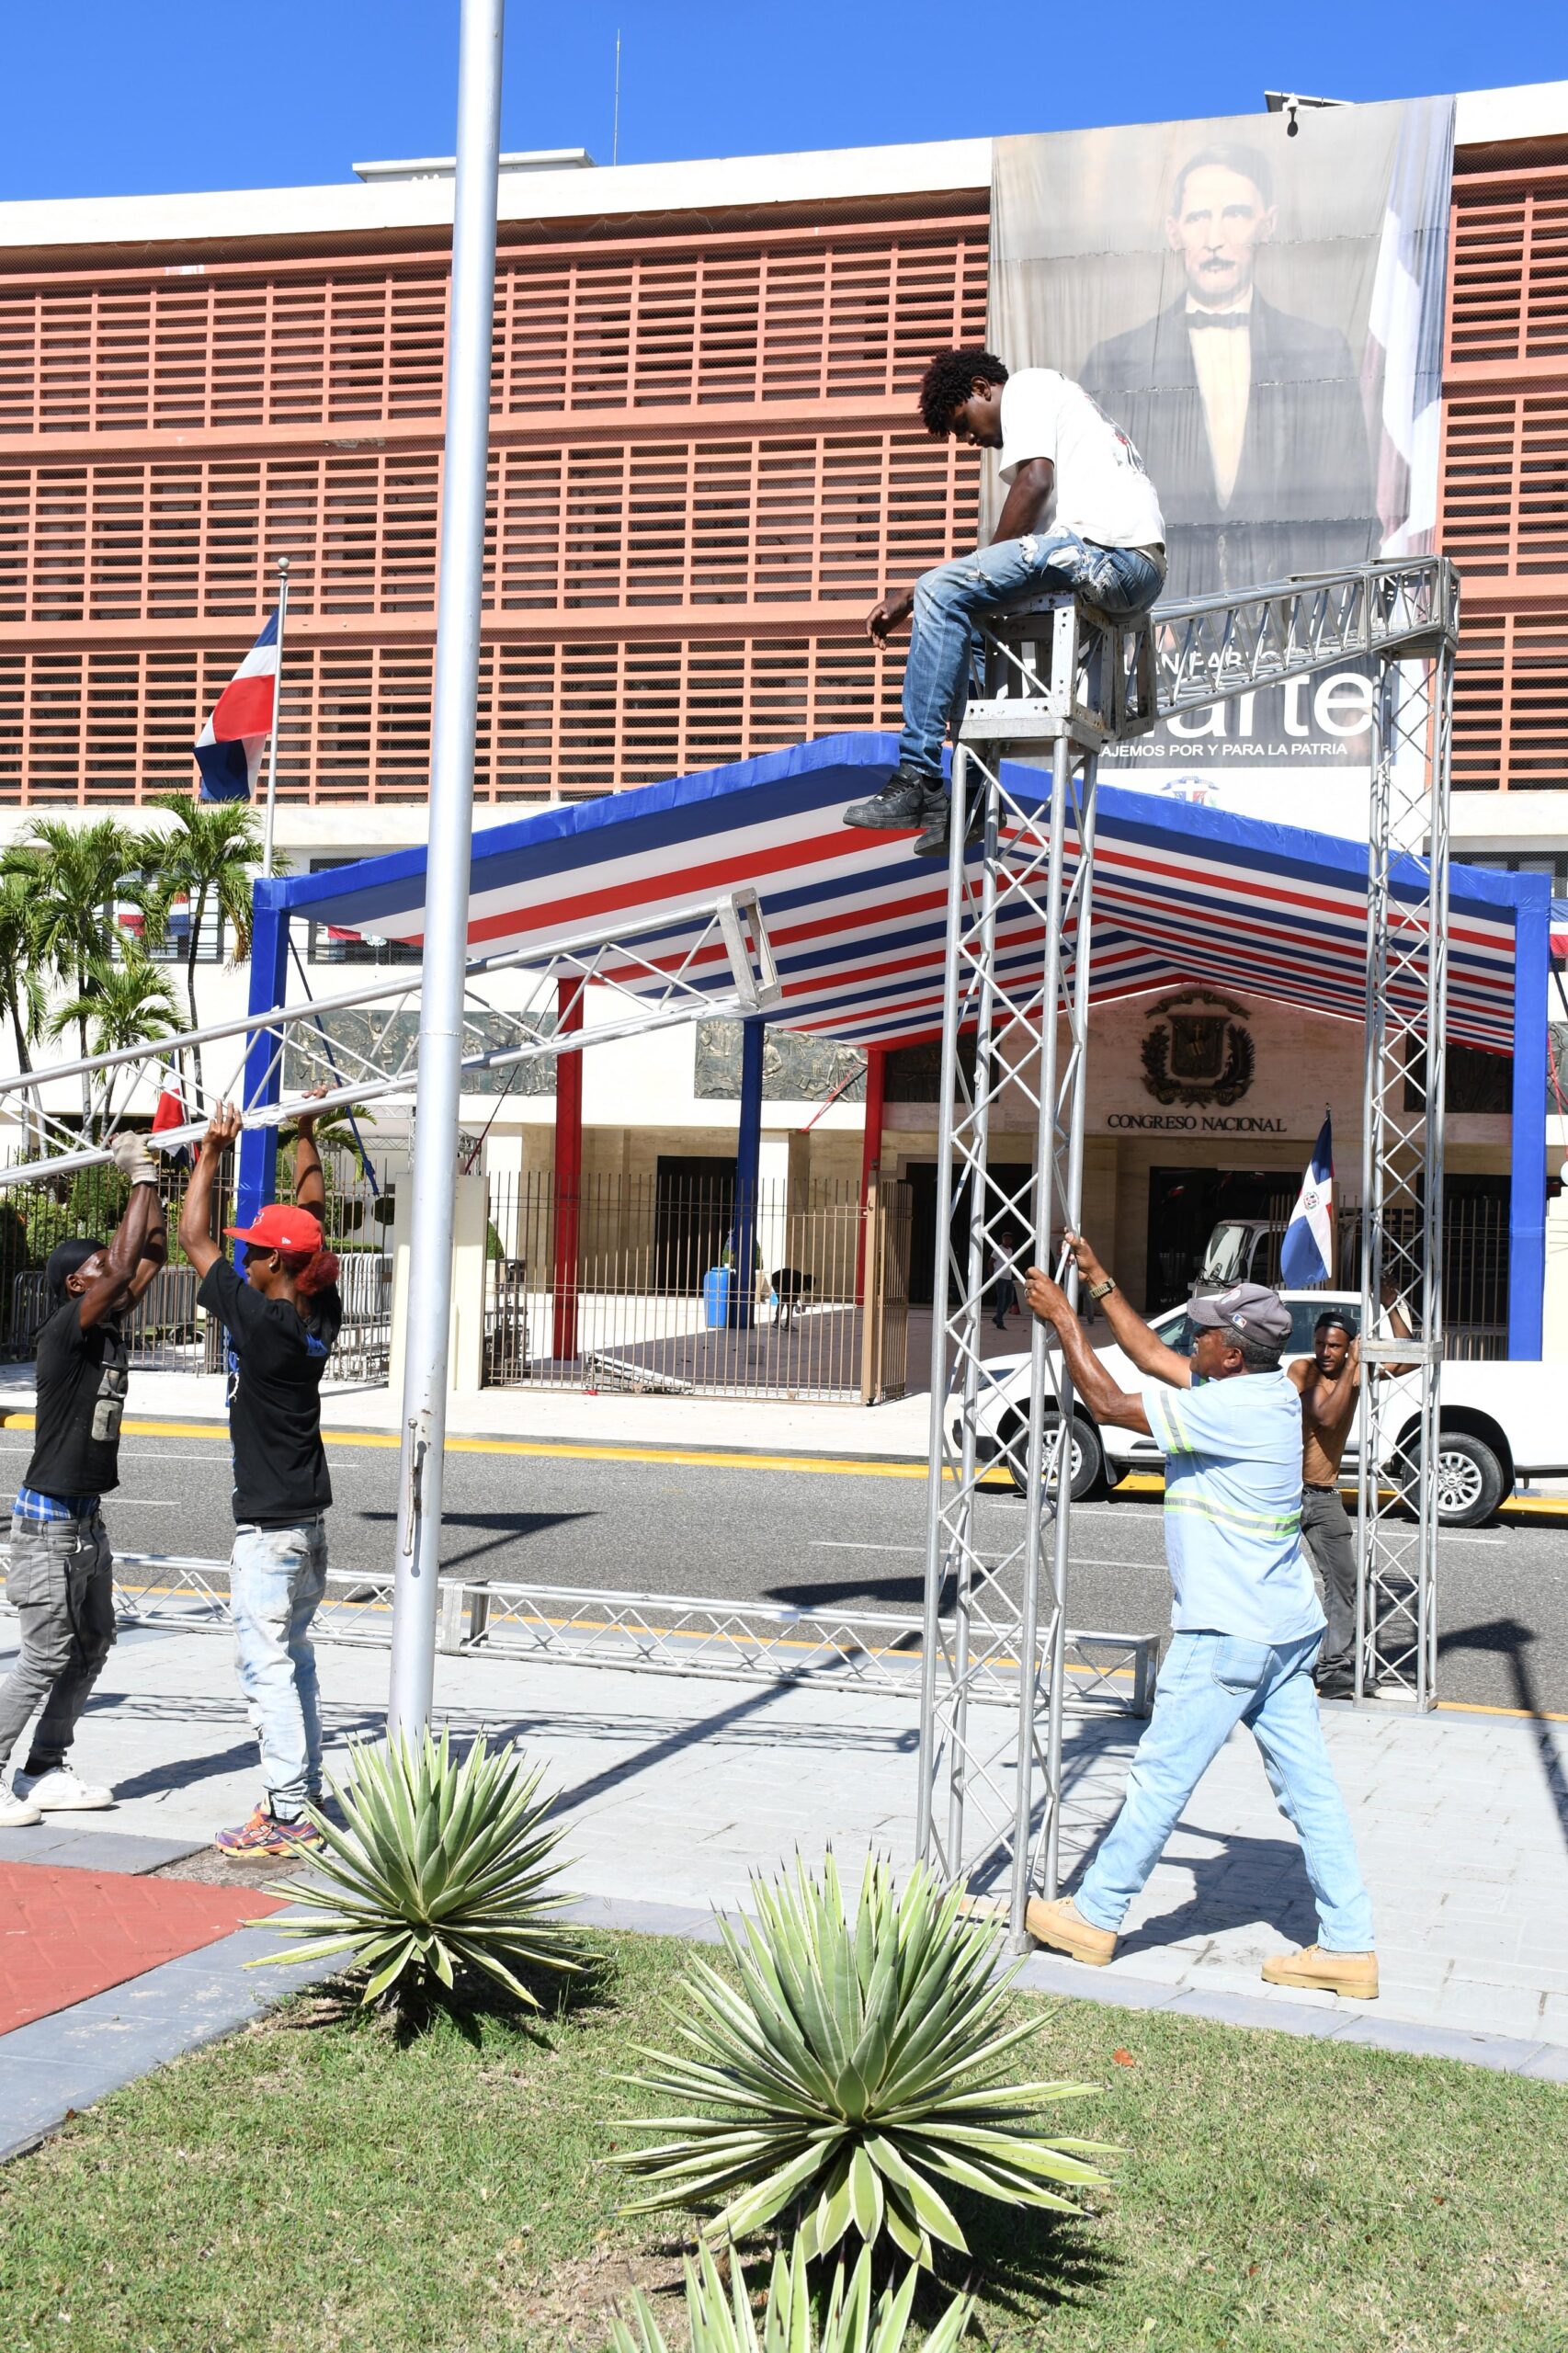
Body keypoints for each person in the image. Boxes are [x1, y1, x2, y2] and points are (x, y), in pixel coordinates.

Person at [1022, 1235, 1378, 2000]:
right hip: (1284, 1630)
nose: (1197, 1334)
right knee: (1310, 1791)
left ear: (1227, 1353)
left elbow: (1111, 1402)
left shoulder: (1229, 1413)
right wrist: (1100, 1281)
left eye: (1207, 1329)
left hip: (1228, 1633)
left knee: (1158, 1780)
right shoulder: (1260, 1389)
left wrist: (1064, 1321)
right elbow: (1151, 1352)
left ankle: (1094, 1914)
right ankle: (1349, 1946)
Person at [843, 349, 1165, 861]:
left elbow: (1034, 481)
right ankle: (970, 795)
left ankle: (917, 776)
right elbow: (999, 564)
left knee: (941, 592)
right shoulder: (1071, 427)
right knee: (966, 613)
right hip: (1122, 563)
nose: (970, 440)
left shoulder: (1030, 387)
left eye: (962, 424)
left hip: (1112, 556)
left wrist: (918, 589)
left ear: (982, 388)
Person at [1080, 145, 1373, 600]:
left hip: (1287, 627)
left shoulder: (1320, 351)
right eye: (1199, 218)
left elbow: (1352, 506)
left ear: (1268, 224)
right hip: (1158, 624)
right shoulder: (1114, 361)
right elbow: (1092, 507)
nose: (1214, 238)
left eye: (1235, 214)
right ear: (1174, 231)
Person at [178, 1098, 342, 1860]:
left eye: (255, 1253)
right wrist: (306, 1139)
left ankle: (284, 1812)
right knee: (295, 1662)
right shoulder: (317, 1309)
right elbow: (311, 1215)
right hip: (305, 1528)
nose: (242, 1260)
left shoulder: (264, 1324)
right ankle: (297, 1792)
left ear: (277, 1266)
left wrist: (212, 1151)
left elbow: (192, 1237)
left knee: (266, 1667)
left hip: (273, 1532)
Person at [0, 1134, 167, 1827]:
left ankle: (43, 1768)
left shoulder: (108, 1326)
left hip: (85, 1522)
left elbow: (148, 1255)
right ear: (77, 1284)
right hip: (47, 1523)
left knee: (93, 1643)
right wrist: (136, 1174)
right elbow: (126, 1264)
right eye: (100, 1270)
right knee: (44, 1653)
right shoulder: (67, 1329)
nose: (117, 1277)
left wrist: (161, 1178)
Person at [1287, 1287, 1414, 1699]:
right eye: (1321, 1343)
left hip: (1323, 1496)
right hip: (1285, 1494)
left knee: (1344, 1581)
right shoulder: (1300, 1371)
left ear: (1348, 1347)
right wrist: (1354, 1369)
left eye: (1335, 1346)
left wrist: (1393, 1304)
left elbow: (1408, 1357)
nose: (1325, 1351)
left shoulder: (1353, 1372)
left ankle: (1334, 1667)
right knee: (1274, 1582)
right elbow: (1325, 1415)